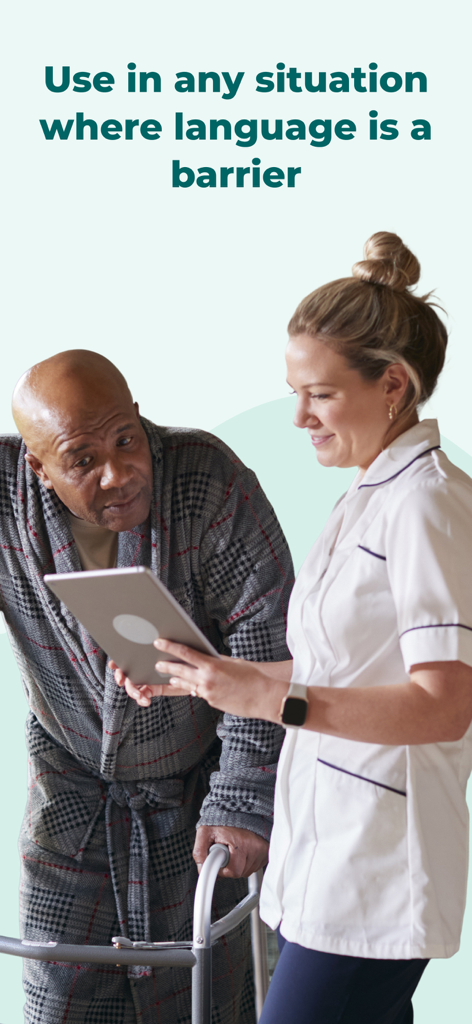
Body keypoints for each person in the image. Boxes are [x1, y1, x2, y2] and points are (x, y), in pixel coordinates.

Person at [119, 233, 472, 1024]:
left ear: (392, 386)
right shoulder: (367, 498)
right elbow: (330, 671)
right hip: (327, 857)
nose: (299, 417)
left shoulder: (427, 506)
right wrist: (198, 673)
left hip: (379, 869)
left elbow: (445, 705)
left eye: (319, 393)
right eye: (293, 391)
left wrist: (274, 701)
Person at [1, 349, 294, 1024]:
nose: (119, 472)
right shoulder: (5, 497)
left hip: (199, 791)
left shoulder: (206, 481)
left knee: (208, 994)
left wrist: (243, 799)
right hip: (71, 789)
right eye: (82, 459)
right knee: (60, 996)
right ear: (37, 467)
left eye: (126, 439)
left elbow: (269, 644)